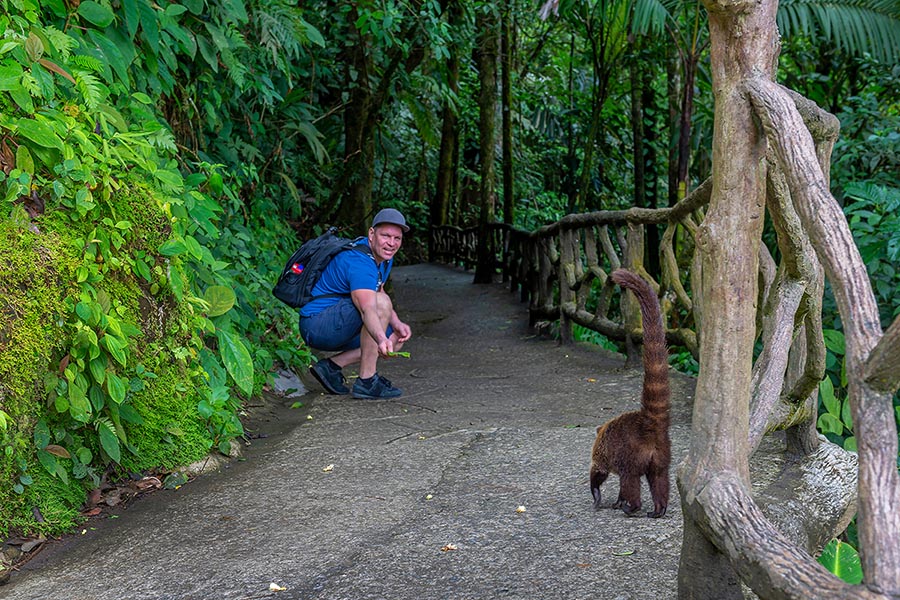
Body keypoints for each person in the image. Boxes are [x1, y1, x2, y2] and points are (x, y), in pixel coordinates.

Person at [298, 208, 413, 399]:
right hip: (318, 324)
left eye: (397, 238)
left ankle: (331, 366)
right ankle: (367, 381)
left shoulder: (383, 257)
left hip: (338, 321)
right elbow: (368, 307)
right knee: (381, 319)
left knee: (395, 341)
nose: (391, 243)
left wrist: (397, 324)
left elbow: (378, 291)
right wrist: (380, 338)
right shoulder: (359, 262)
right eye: (385, 236)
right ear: (371, 234)